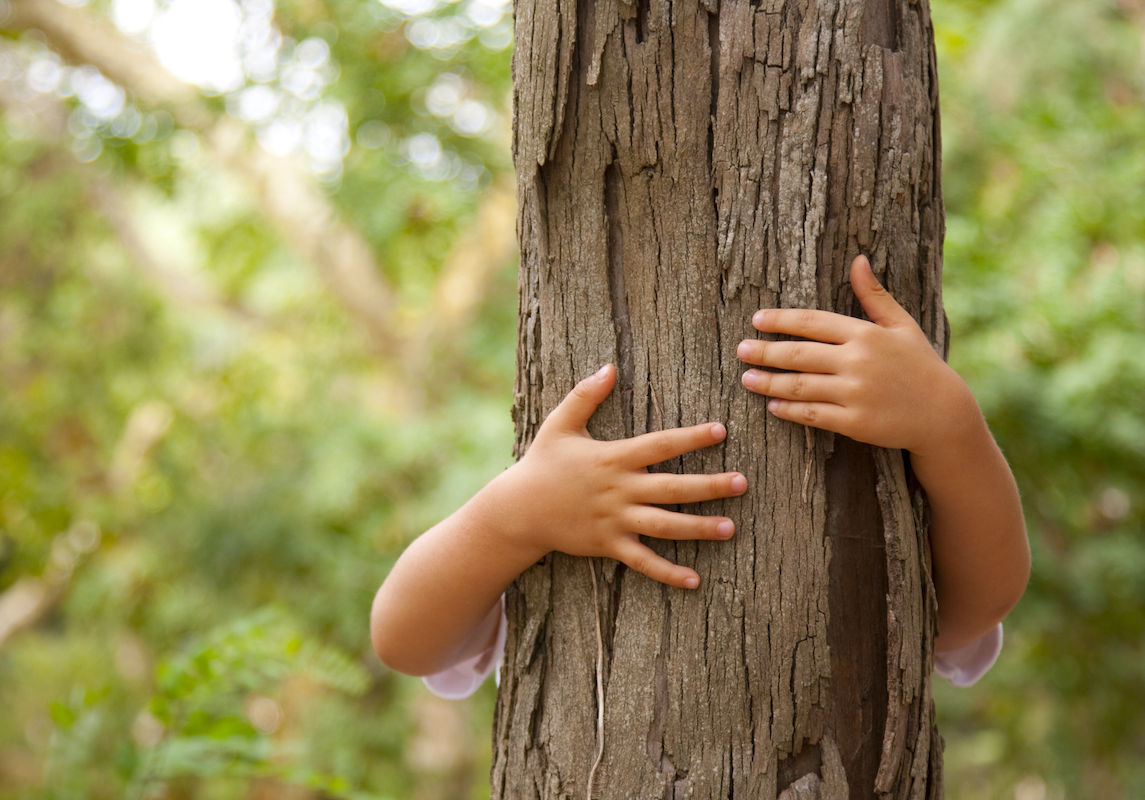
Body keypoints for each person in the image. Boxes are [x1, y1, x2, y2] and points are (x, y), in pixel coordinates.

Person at [370, 255, 1031, 697]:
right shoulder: (561, 538)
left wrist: (951, 427)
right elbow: (405, 639)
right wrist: (514, 515)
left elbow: (967, 611)